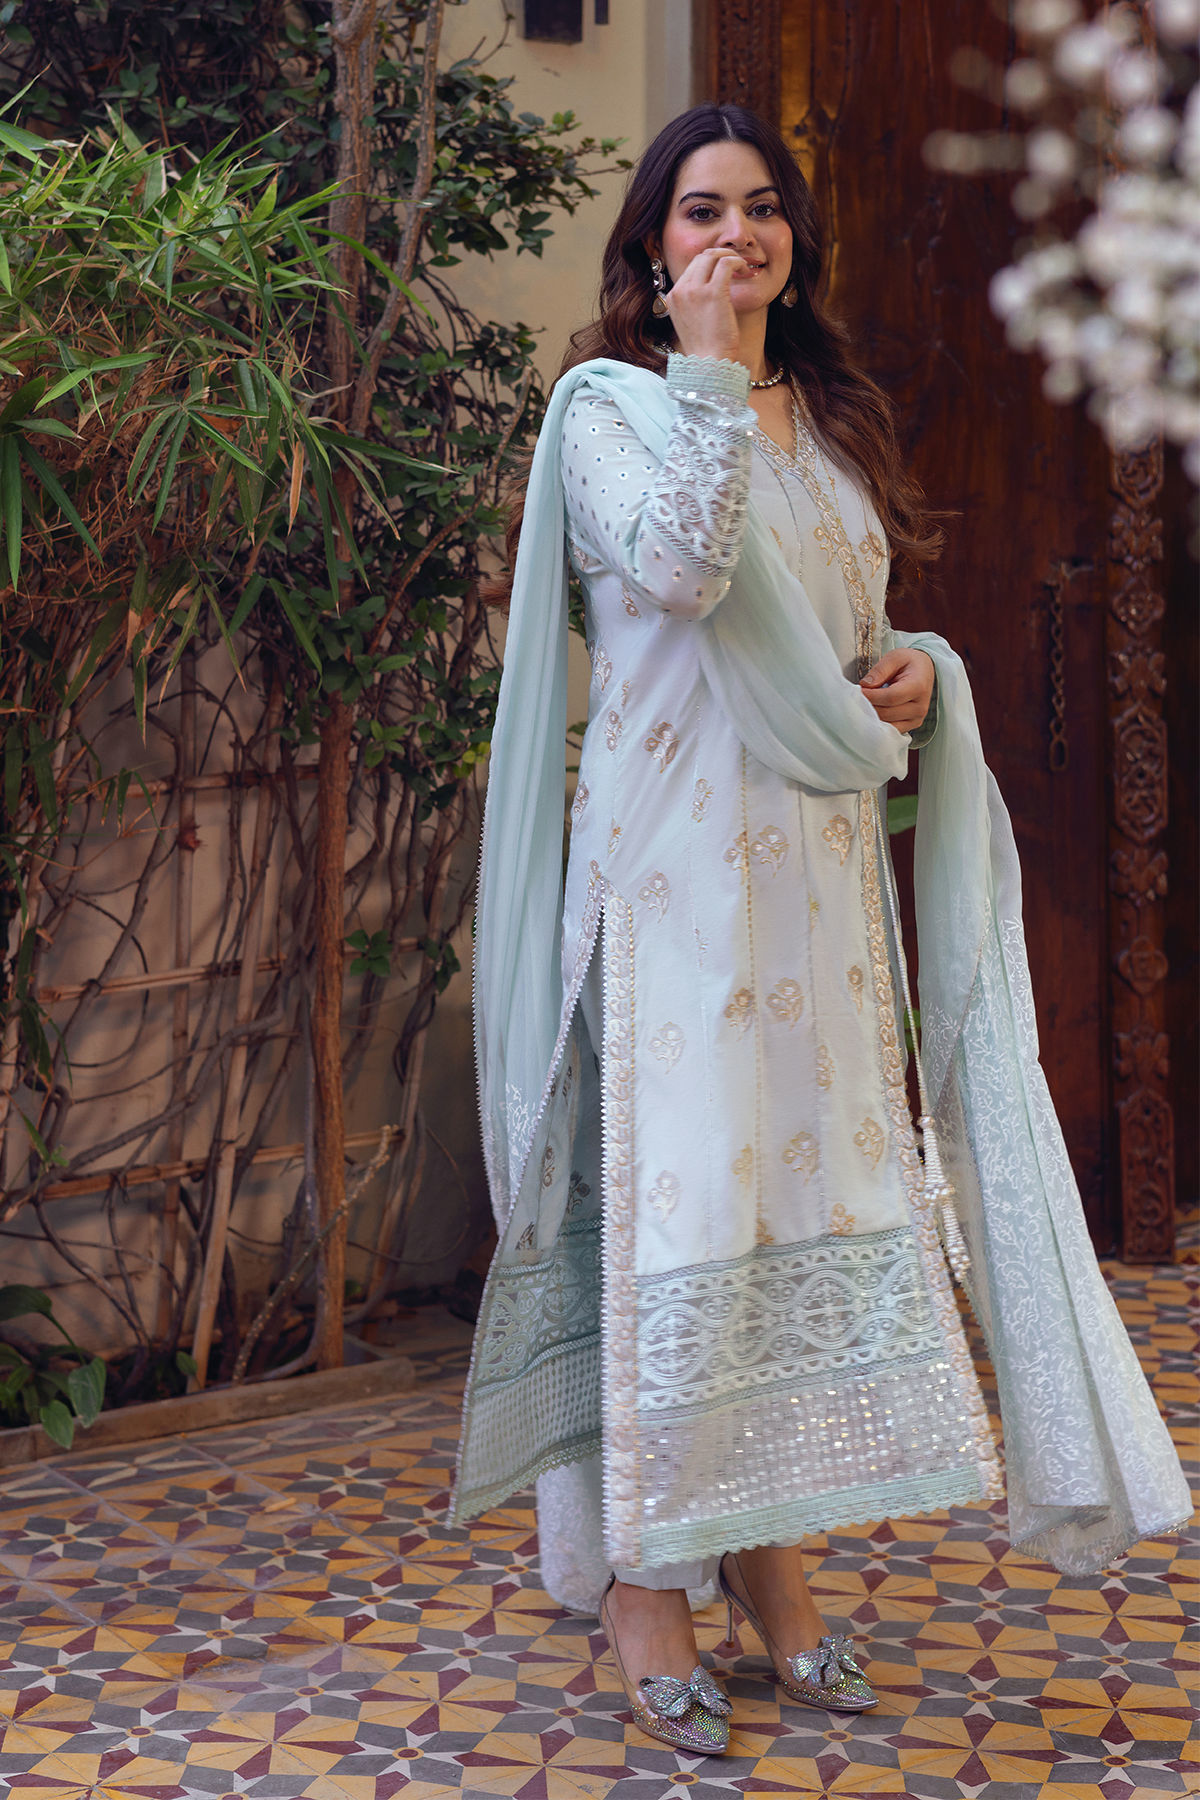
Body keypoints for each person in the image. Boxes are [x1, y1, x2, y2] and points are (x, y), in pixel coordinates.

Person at [451, 104, 1189, 1757]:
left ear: (795, 239)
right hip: (674, 892)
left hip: (819, 887)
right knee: (687, 1220)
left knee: (795, 1213)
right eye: (702, 211)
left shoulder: (833, 415)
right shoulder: (612, 412)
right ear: (652, 249)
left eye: (764, 208)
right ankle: (649, 1583)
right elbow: (681, 572)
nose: (739, 234)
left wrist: (917, 673)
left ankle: (768, 1555)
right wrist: (708, 372)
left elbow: (841, 632)